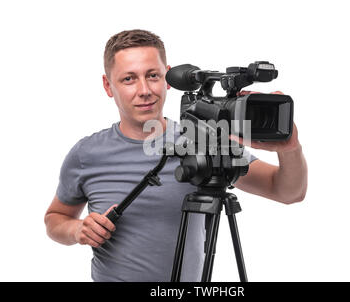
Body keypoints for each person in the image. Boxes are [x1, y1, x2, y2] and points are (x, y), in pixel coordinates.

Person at [44, 29, 308, 282]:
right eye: (129, 78)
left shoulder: (205, 138)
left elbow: (288, 192)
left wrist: (290, 149)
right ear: (108, 85)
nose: (144, 89)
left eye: (153, 75)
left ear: (168, 78)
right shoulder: (86, 154)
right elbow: (55, 218)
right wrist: (77, 230)